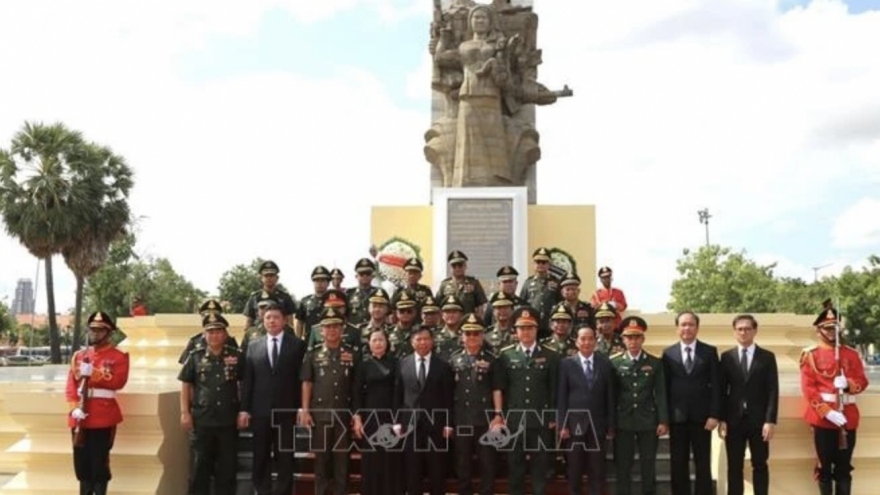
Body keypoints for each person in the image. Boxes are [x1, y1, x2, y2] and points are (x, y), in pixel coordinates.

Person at [239, 303, 308, 495]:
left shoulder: (297, 345)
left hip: (287, 410)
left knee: (285, 455)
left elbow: (302, 379)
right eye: (268, 317)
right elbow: (248, 381)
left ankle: (284, 491)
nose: (271, 321)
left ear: (284, 320)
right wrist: (244, 409)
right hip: (260, 410)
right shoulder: (253, 346)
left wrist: (302, 407)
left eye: (276, 317)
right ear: (263, 319)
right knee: (260, 455)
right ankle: (262, 490)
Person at [800, 305, 869, 495]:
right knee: (824, 467)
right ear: (818, 330)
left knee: (844, 467)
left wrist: (848, 383)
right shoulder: (811, 355)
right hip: (822, 418)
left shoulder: (851, 354)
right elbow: (808, 388)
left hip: (847, 415)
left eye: (835, 328)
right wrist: (826, 411)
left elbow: (862, 382)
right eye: (827, 328)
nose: (832, 332)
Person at [496, 307, 560, 495]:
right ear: (515, 331)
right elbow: (502, 388)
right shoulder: (506, 355)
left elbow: (554, 388)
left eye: (530, 328)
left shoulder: (551, 356)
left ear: (536, 329)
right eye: (521, 328)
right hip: (514, 420)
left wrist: (552, 416)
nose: (526, 332)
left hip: (540, 420)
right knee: (515, 466)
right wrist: (503, 415)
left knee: (540, 466)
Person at [178, 312, 244, 495]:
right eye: (210, 332)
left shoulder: (237, 356)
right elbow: (186, 384)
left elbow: (245, 384)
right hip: (202, 420)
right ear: (204, 335)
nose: (214, 335)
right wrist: (185, 413)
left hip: (228, 420)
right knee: (200, 468)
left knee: (227, 469)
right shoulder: (195, 356)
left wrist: (243, 411)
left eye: (218, 331)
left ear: (225, 334)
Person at [65, 311, 130, 495]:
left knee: (99, 463)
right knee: (81, 464)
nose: (94, 334)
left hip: (103, 416)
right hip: (80, 416)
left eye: (99, 331)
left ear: (108, 333)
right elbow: (71, 387)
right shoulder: (78, 355)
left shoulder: (119, 356)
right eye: (92, 330)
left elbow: (118, 381)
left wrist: (94, 373)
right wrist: (73, 409)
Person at [299, 307, 359, 495]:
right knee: (321, 462)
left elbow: (357, 387)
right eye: (327, 327)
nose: (332, 330)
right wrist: (306, 410)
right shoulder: (313, 354)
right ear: (321, 331)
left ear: (342, 329)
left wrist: (356, 414)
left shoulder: (352, 354)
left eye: (336, 326)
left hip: (343, 414)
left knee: (342, 463)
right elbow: (307, 383)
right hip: (320, 415)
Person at [717, 314, 779, 495]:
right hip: (733, 420)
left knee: (760, 464)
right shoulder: (726, 357)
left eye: (748, 328)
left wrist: (770, 420)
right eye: (740, 329)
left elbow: (773, 390)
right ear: (735, 332)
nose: (744, 332)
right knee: (734, 466)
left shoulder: (767, 357)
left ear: (755, 331)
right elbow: (721, 391)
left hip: (759, 421)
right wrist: (722, 419)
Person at [662, 311, 720, 495]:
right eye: (683, 324)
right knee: (678, 463)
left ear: (697, 327)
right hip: (677, 418)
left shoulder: (709, 352)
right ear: (677, 328)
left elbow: (717, 386)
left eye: (691, 324)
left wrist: (714, 414)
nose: (687, 328)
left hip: (703, 418)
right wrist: (665, 418)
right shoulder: (668, 353)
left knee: (703, 462)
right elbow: (664, 388)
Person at [393, 326, 455, 495]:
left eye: (426, 338)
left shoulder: (442, 365)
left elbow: (448, 397)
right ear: (412, 342)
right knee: (412, 471)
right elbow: (398, 395)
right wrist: (397, 421)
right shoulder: (402, 364)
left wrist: (449, 424)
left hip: (436, 426)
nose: (422, 342)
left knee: (437, 471)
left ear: (432, 341)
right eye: (418, 339)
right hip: (410, 427)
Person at [611, 316, 668, 495]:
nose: (633, 341)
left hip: (648, 420)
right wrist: (611, 422)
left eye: (637, 337)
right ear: (623, 339)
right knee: (623, 464)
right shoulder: (614, 362)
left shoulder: (654, 362)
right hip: (623, 419)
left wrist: (663, 420)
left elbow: (660, 393)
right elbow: (611, 395)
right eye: (629, 337)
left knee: (648, 463)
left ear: (643, 339)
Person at [450, 314, 504, 495]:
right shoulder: (454, 359)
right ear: (462, 336)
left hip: (485, 418)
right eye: (468, 333)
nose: (472, 337)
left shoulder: (492, 359)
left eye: (476, 333)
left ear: (482, 336)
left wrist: (498, 415)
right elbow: (449, 391)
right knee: (462, 463)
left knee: (487, 463)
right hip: (461, 418)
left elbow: (496, 388)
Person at [557, 325, 615, 495]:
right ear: (576, 342)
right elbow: (561, 395)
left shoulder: (605, 364)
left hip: (598, 424)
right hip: (574, 425)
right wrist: (563, 424)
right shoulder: (566, 364)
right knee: (574, 467)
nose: (587, 342)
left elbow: (609, 395)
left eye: (590, 338)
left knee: (597, 469)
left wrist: (610, 423)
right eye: (583, 339)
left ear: (595, 342)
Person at [352, 328, 401, 495]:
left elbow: (399, 392)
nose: (378, 343)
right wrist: (357, 418)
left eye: (381, 340)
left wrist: (398, 419)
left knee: (390, 460)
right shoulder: (363, 364)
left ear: (387, 343)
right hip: (370, 417)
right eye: (374, 340)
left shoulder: (396, 363)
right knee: (371, 460)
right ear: (369, 343)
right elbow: (356, 392)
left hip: (391, 416)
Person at [178, 299, 238, 364]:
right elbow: (185, 366)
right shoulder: (195, 341)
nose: (211, 318)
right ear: (202, 318)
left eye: (214, 315)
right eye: (206, 316)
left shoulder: (229, 340)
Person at [519, 248, 561, 338]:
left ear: (549, 264)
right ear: (534, 264)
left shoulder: (556, 282)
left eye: (544, 262)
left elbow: (560, 302)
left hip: (550, 326)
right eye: (538, 262)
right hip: (533, 325)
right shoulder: (528, 283)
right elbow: (522, 304)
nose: (540, 264)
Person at [242, 260, 297, 329]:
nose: (269, 278)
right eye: (266, 276)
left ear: (277, 278)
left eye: (271, 275)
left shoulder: (285, 297)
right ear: (261, 278)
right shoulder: (255, 297)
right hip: (259, 335)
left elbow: (289, 323)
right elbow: (249, 322)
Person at [435, 250, 488, 317]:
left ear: (465, 266)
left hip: (468, 323)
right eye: (454, 266)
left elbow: (480, 306)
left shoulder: (474, 283)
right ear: (450, 268)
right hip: (450, 322)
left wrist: (478, 321)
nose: (457, 268)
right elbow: (438, 306)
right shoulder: (444, 285)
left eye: (460, 265)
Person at [295, 265, 331, 340]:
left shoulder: (334, 301)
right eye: (317, 280)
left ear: (328, 283)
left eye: (322, 280)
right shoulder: (305, 301)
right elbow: (299, 323)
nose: (319, 283)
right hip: (310, 342)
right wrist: (298, 341)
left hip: (330, 340)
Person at [589, 266, 627, 331]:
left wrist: (614, 304)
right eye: (604, 278)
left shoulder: (618, 292)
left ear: (611, 278)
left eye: (608, 277)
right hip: (602, 325)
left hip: (616, 324)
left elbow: (623, 307)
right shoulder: (596, 294)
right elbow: (593, 308)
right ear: (600, 279)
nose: (606, 279)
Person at [346, 258, 379, 326]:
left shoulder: (379, 293)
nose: (365, 276)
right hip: (355, 332)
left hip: (374, 331)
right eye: (361, 274)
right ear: (356, 276)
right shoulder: (349, 294)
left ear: (372, 276)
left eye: (368, 273)